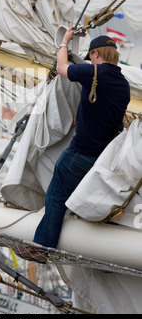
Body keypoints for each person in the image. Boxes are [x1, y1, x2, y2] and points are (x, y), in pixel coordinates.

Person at [30, 28, 131, 258]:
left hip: (79, 155)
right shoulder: (123, 84)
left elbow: (61, 68)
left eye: (91, 57)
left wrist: (64, 42)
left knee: (56, 197)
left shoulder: (94, 73)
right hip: (103, 159)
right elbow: (103, 110)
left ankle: (42, 248)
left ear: (96, 54)